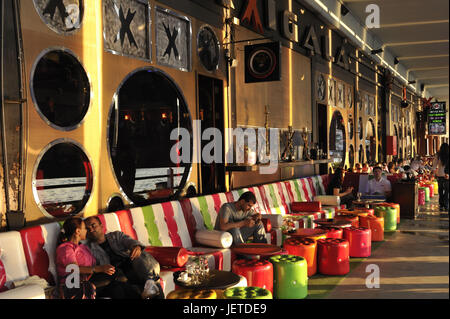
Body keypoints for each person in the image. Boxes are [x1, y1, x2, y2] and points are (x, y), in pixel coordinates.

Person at [84, 216, 163, 299]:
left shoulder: (116, 235)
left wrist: (136, 247)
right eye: (88, 229)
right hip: (116, 273)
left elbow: (129, 241)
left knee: (140, 255)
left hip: (132, 265)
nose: (91, 230)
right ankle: (149, 285)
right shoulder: (88, 248)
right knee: (119, 285)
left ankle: (150, 282)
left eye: (93, 226)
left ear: (101, 225)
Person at [55, 217, 115, 299]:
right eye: (85, 228)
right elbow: (73, 268)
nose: (86, 231)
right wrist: (99, 269)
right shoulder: (66, 248)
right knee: (114, 276)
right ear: (78, 231)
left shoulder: (82, 247)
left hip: (88, 280)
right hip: (73, 284)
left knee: (118, 286)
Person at [432, 143, 449, 211]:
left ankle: (441, 204)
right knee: (447, 190)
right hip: (447, 175)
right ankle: (446, 204)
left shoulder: (438, 155)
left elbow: (434, 165)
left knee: (441, 190)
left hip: (440, 174)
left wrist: (433, 173)